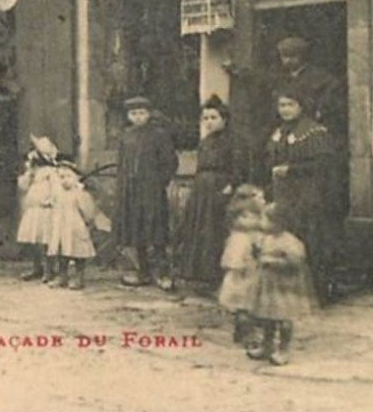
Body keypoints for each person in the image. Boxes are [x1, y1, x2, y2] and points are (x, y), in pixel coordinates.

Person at [259, 89, 344, 304]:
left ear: (301, 107)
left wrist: (292, 170)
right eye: (282, 106)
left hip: (309, 195)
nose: (286, 110)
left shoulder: (314, 132)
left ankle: (318, 291)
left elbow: (324, 164)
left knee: (311, 239)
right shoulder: (278, 133)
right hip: (284, 195)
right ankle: (291, 291)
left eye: (290, 105)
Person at [176, 95, 248, 289]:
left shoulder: (233, 141)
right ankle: (200, 275)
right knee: (199, 229)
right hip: (202, 189)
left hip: (220, 186)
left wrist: (231, 185)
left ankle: (217, 276)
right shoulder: (205, 141)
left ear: (224, 119)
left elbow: (239, 167)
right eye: (205, 118)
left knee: (215, 230)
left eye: (213, 118)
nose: (209, 122)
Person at [115, 95, 177, 289]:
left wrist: (159, 182)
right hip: (132, 191)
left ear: (149, 114)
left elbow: (170, 162)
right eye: (134, 113)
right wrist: (123, 185)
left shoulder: (159, 134)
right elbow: (122, 164)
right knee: (136, 231)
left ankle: (163, 273)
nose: (138, 117)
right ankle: (143, 272)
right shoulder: (126, 136)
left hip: (151, 190)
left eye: (142, 113)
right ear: (128, 116)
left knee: (156, 230)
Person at [247, 203, 317, 366]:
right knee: (267, 317)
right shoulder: (266, 238)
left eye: (266, 220)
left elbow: (295, 263)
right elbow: (259, 255)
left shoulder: (289, 241)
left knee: (284, 320)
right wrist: (255, 251)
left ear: (280, 223)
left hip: (284, 287)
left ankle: (283, 349)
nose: (262, 223)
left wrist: (273, 262)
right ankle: (267, 345)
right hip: (268, 286)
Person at [219, 184, 268, 351]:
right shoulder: (241, 233)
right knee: (243, 304)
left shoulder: (258, 222)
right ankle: (248, 335)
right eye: (260, 198)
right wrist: (238, 265)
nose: (264, 201)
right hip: (242, 273)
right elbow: (236, 254)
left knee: (250, 304)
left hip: (253, 271)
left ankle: (243, 331)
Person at [47, 163, 104, 290]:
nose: (65, 180)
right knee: (62, 252)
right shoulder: (58, 193)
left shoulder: (79, 193)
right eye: (61, 177)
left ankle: (79, 277)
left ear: (76, 178)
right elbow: (53, 207)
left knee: (78, 252)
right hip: (61, 226)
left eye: (68, 176)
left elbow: (88, 211)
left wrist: (88, 222)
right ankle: (63, 276)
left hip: (75, 225)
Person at [15, 137, 63, 283]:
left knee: (46, 240)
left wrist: (51, 200)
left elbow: (56, 188)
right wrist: (28, 174)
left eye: (34, 161)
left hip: (45, 209)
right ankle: (37, 267)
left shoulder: (51, 172)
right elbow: (23, 187)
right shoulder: (31, 173)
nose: (31, 164)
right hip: (33, 209)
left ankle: (49, 270)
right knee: (34, 240)